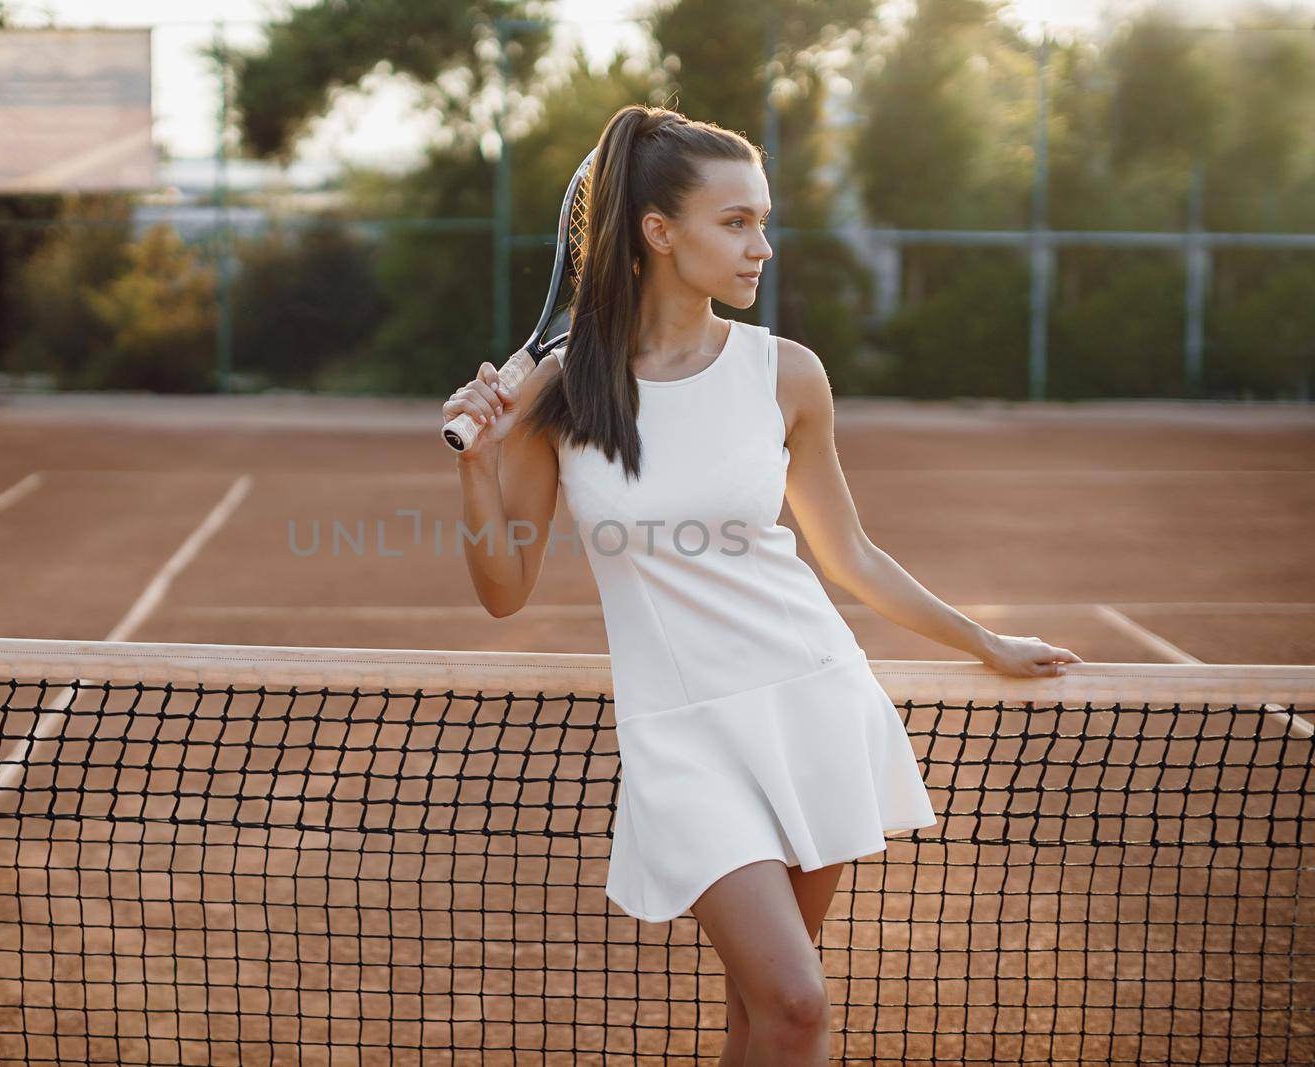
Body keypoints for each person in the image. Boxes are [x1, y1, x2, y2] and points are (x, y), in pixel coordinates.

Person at [444, 103, 1081, 1067]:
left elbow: (850, 554)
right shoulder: (561, 391)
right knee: (796, 999)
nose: (763, 248)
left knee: (768, 1014)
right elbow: (504, 589)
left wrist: (983, 640)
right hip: (682, 737)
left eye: (763, 222)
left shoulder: (788, 375)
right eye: (736, 222)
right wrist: (474, 467)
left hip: (814, 700)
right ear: (659, 232)